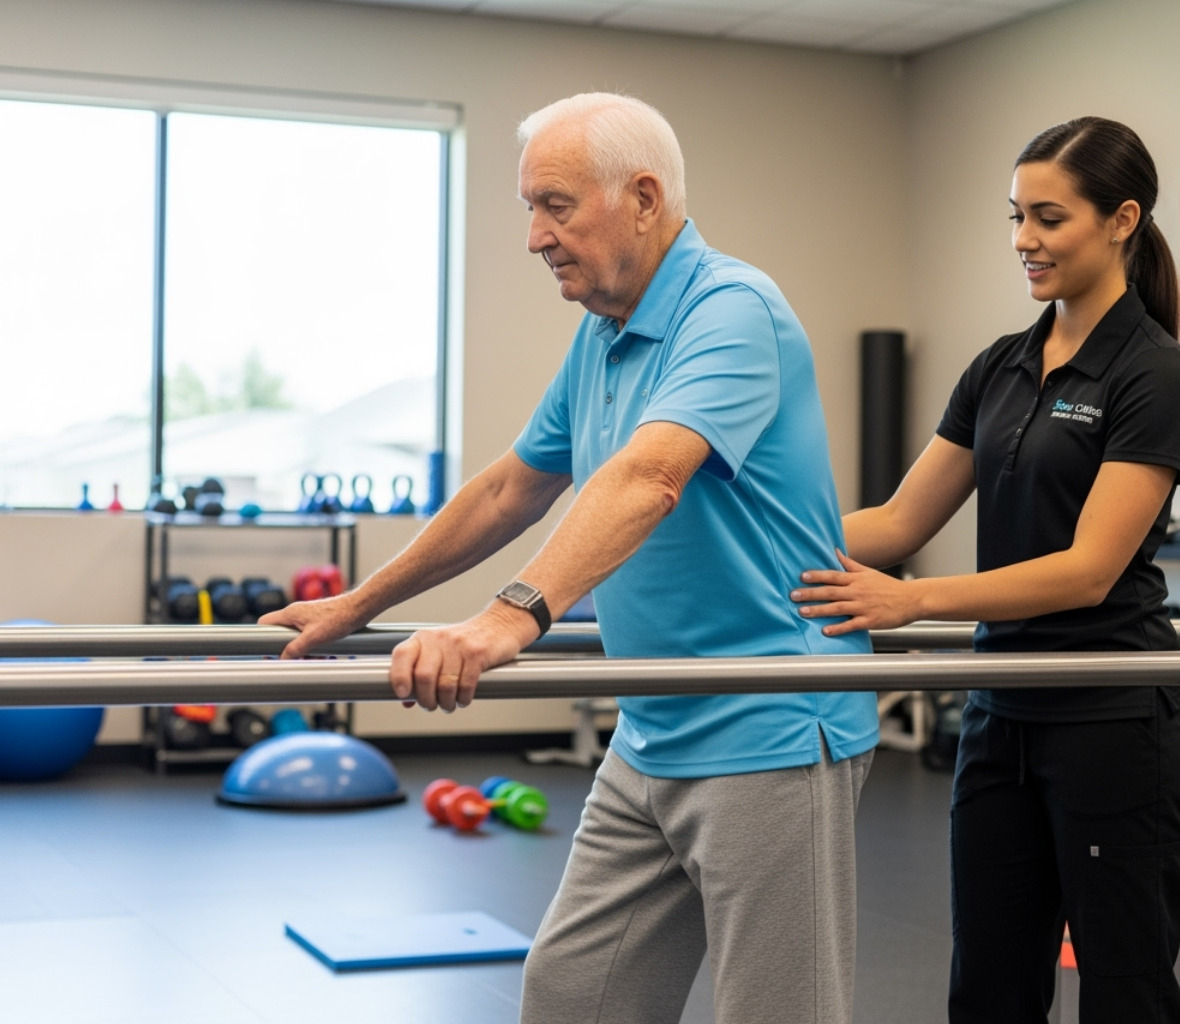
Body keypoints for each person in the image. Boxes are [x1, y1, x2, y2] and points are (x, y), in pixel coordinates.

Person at [262, 92, 879, 1024]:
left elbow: (648, 477)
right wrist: (358, 604)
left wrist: (511, 615)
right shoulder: (603, 334)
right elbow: (513, 485)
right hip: (655, 728)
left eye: (555, 205)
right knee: (575, 995)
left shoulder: (734, 310)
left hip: (770, 723)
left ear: (641, 196)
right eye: (529, 209)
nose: (534, 237)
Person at [792, 116, 1180, 1023]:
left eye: (1049, 218)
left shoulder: (1154, 374)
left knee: (1126, 993)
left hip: (1113, 721)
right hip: (1001, 719)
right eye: (1016, 216)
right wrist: (758, 537)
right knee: (988, 990)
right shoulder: (1001, 367)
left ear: (1122, 219)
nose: (1024, 240)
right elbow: (898, 521)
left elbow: (1090, 570)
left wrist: (915, 603)